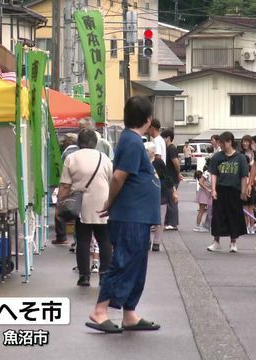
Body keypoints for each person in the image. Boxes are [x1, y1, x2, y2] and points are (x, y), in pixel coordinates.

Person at [87, 96, 161, 334]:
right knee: (123, 262)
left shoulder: (133, 140)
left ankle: (129, 312)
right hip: (131, 214)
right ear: (148, 119)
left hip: (137, 214)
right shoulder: (131, 141)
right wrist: (110, 201)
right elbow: (119, 176)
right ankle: (100, 310)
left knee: (136, 264)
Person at [57, 129, 113, 287]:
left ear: (78, 142)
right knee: (104, 240)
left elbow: (65, 186)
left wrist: (60, 205)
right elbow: (112, 180)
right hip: (103, 203)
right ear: (95, 143)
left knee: (83, 239)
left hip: (82, 204)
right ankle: (104, 275)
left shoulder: (71, 158)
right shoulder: (104, 158)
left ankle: (84, 276)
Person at [207, 132, 249, 253]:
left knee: (234, 216)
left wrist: (243, 191)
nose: (220, 145)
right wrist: (213, 190)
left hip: (234, 190)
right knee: (217, 216)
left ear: (229, 142)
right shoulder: (217, 157)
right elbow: (213, 174)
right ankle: (216, 241)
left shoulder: (240, 158)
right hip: (220, 189)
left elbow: (243, 176)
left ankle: (233, 242)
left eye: (222, 142)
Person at [147, 142, 177, 252]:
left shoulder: (159, 162)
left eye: (147, 151)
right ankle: (147, 240)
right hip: (146, 195)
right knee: (146, 219)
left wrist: (174, 191)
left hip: (161, 193)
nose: (145, 153)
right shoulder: (142, 162)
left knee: (160, 219)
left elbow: (168, 177)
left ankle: (156, 242)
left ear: (153, 153)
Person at [53, 133, 79, 246]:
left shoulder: (67, 154)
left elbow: (64, 173)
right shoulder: (80, 151)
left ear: (67, 142)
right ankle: (76, 239)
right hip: (79, 186)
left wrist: (60, 196)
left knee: (61, 209)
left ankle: (61, 236)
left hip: (68, 184)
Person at [162, 129, 181, 230]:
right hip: (169, 178)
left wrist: (178, 173)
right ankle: (169, 222)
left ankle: (173, 224)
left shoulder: (171, 148)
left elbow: (176, 163)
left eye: (163, 138)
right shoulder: (168, 148)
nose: (162, 140)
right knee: (169, 200)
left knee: (172, 200)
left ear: (168, 138)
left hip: (172, 178)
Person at [240, 135, 256, 234]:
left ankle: (251, 227)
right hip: (243, 183)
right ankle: (246, 226)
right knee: (245, 208)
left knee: (250, 207)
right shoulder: (240, 154)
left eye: (247, 142)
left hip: (252, 183)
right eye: (243, 141)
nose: (245, 143)